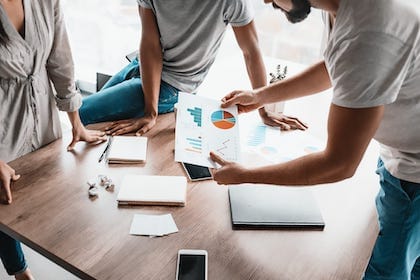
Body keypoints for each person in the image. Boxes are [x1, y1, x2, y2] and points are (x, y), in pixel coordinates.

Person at [210, 0, 420, 279]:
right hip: (400, 154)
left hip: (413, 175)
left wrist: (245, 174)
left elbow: (339, 164)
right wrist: (262, 95)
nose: (265, 1)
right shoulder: (339, 9)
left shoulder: (369, 31)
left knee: (380, 270)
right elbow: (336, 64)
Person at [78, 0, 308, 136]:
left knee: (79, 114)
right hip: (143, 66)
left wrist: (263, 108)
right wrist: (150, 110)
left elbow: (251, 52)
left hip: (173, 86)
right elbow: (150, 43)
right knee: (81, 120)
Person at [0, 0, 106, 279]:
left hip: (42, 115)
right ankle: (20, 272)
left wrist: (76, 122)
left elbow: (60, 59)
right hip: (2, 126)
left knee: (47, 195)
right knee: (4, 203)